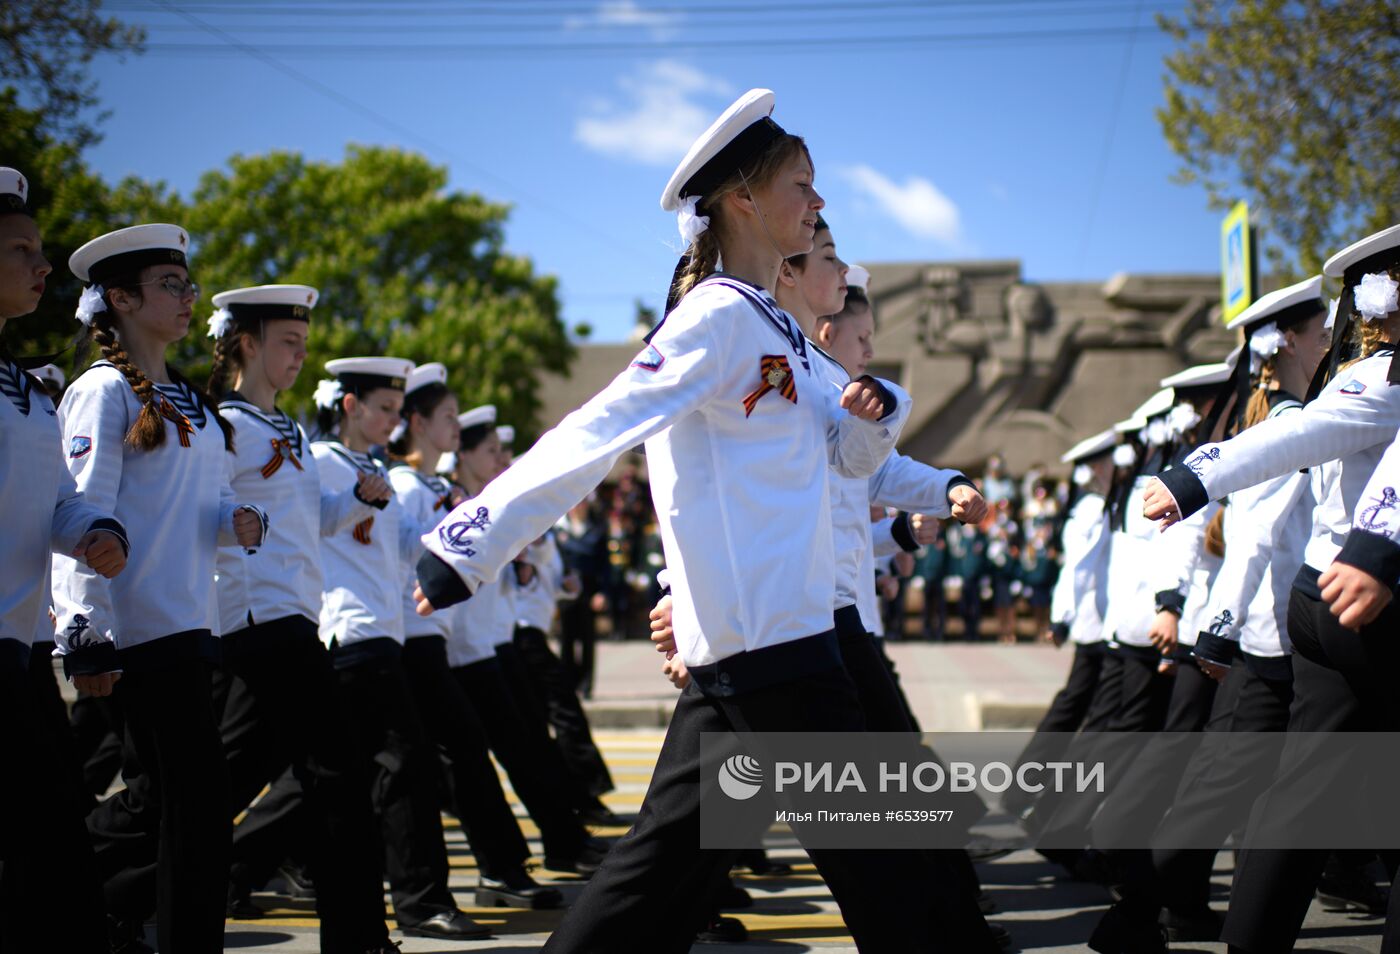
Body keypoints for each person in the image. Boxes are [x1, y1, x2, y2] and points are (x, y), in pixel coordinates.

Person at [413, 88, 999, 953]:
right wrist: (468, 542)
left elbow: (844, 464)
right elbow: (601, 427)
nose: (819, 200)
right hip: (778, 650)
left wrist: (873, 418)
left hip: (770, 646)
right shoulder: (721, 318)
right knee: (895, 885)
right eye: (802, 182)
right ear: (743, 199)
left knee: (657, 881)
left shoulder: (781, 330)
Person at [1142, 223, 1400, 953]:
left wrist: (1196, 476)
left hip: (1314, 600)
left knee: (1301, 796)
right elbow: (1257, 527)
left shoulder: (1359, 378)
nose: (1326, 337)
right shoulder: (1380, 380)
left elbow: (1290, 445)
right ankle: (1150, 896)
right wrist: (1379, 545)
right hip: (1360, 597)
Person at [53, 222, 266, 951]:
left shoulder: (189, 400)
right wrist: (86, 636)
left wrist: (229, 521)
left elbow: (186, 511)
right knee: (192, 810)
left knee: (188, 812)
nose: (188, 297)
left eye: (188, 283)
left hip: (191, 628)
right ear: (119, 297)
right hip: (137, 634)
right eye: (170, 285)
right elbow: (78, 515)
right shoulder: (103, 391)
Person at [203, 283, 399, 951]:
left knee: (234, 783)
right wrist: (235, 524)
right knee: (335, 778)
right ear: (247, 344)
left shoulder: (283, 430)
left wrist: (358, 504)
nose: (299, 357)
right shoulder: (220, 427)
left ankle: (117, 889)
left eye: (304, 345)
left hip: (294, 620)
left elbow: (306, 526)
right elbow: (196, 517)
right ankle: (360, 937)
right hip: (258, 623)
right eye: (288, 343)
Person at [307, 356, 488, 940]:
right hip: (349, 634)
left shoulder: (371, 467)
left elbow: (410, 545)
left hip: (381, 633)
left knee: (349, 774)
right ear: (349, 406)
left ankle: (247, 864)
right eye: (384, 409)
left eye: (395, 409)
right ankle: (419, 899)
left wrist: (477, 529)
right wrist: (360, 499)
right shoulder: (320, 463)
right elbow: (310, 527)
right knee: (402, 765)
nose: (393, 420)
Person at [391, 387, 580, 908]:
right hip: (426, 641)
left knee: (471, 754)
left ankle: (520, 859)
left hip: (459, 641)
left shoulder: (439, 490)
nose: (500, 459)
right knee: (450, 757)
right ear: (416, 423)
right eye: (446, 418)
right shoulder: (407, 487)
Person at [0, 166, 116, 953]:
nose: (44, 265)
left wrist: (89, 529)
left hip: (20, 649)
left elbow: (51, 498)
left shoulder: (29, 387)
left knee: (53, 833)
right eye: (21, 250)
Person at [1000, 427, 1116, 822]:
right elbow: (1078, 570)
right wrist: (1061, 617)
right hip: (1097, 624)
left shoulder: (1099, 504)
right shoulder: (1092, 509)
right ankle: (1031, 796)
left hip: (1100, 622)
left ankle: (1025, 792)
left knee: (1077, 709)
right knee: (1082, 712)